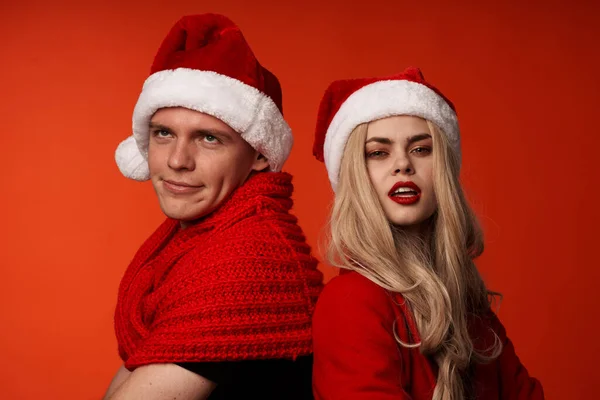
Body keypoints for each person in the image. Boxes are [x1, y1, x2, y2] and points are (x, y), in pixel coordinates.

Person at [103, 13, 323, 400]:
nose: (177, 160)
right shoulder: (193, 244)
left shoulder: (248, 259)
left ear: (258, 153)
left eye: (208, 138)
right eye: (164, 133)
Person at [310, 67, 544, 399]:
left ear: (445, 169)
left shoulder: (468, 304)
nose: (403, 164)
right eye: (378, 152)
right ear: (356, 176)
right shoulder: (351, 301)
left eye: (421, 149)